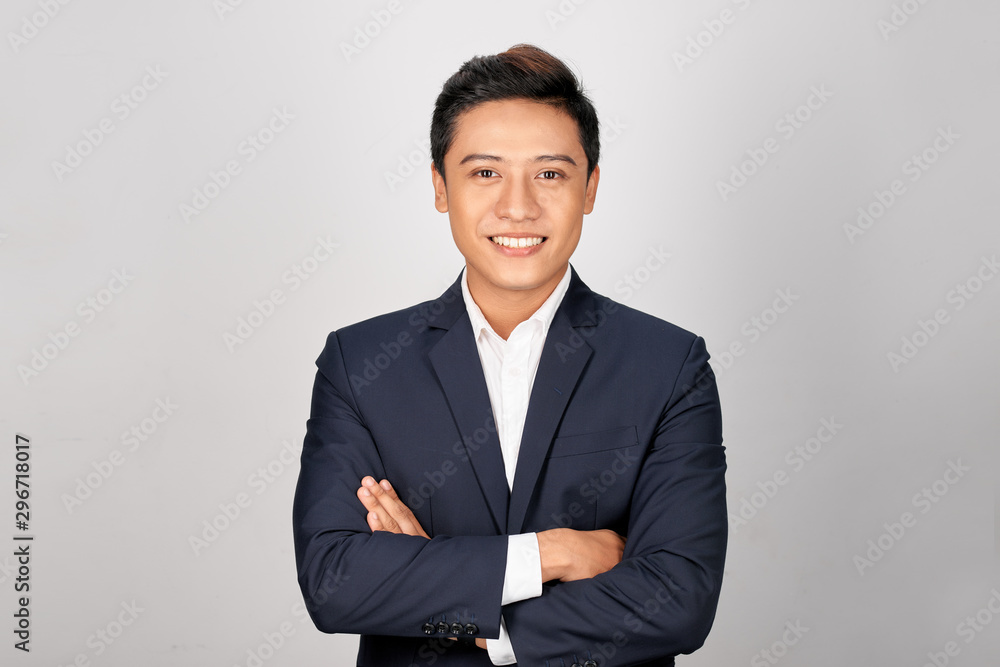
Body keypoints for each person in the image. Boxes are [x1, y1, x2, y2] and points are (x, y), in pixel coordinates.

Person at [292, 44, 727, 667]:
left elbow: (678, 599)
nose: (517, 207)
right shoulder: (361, 364)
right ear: (441, 187)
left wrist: (448, 593)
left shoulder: (669, 365)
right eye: (485, 172)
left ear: (590, 188)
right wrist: (553, 554)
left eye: (550, 173)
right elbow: (335, 581)